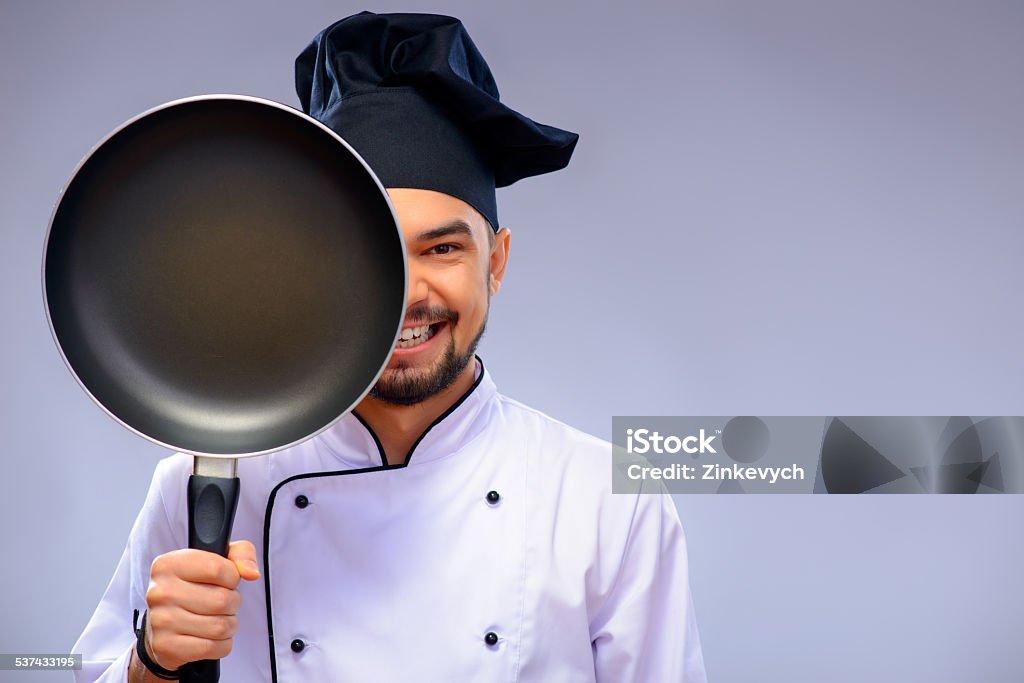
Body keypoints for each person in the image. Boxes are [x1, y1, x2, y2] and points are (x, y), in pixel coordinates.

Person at [73, 11, 707, 682]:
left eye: (442, 248)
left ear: (497, 262)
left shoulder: (606, 498)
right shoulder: (207, 479)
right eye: (367, 251)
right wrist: (153, 661)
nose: (407, 293)